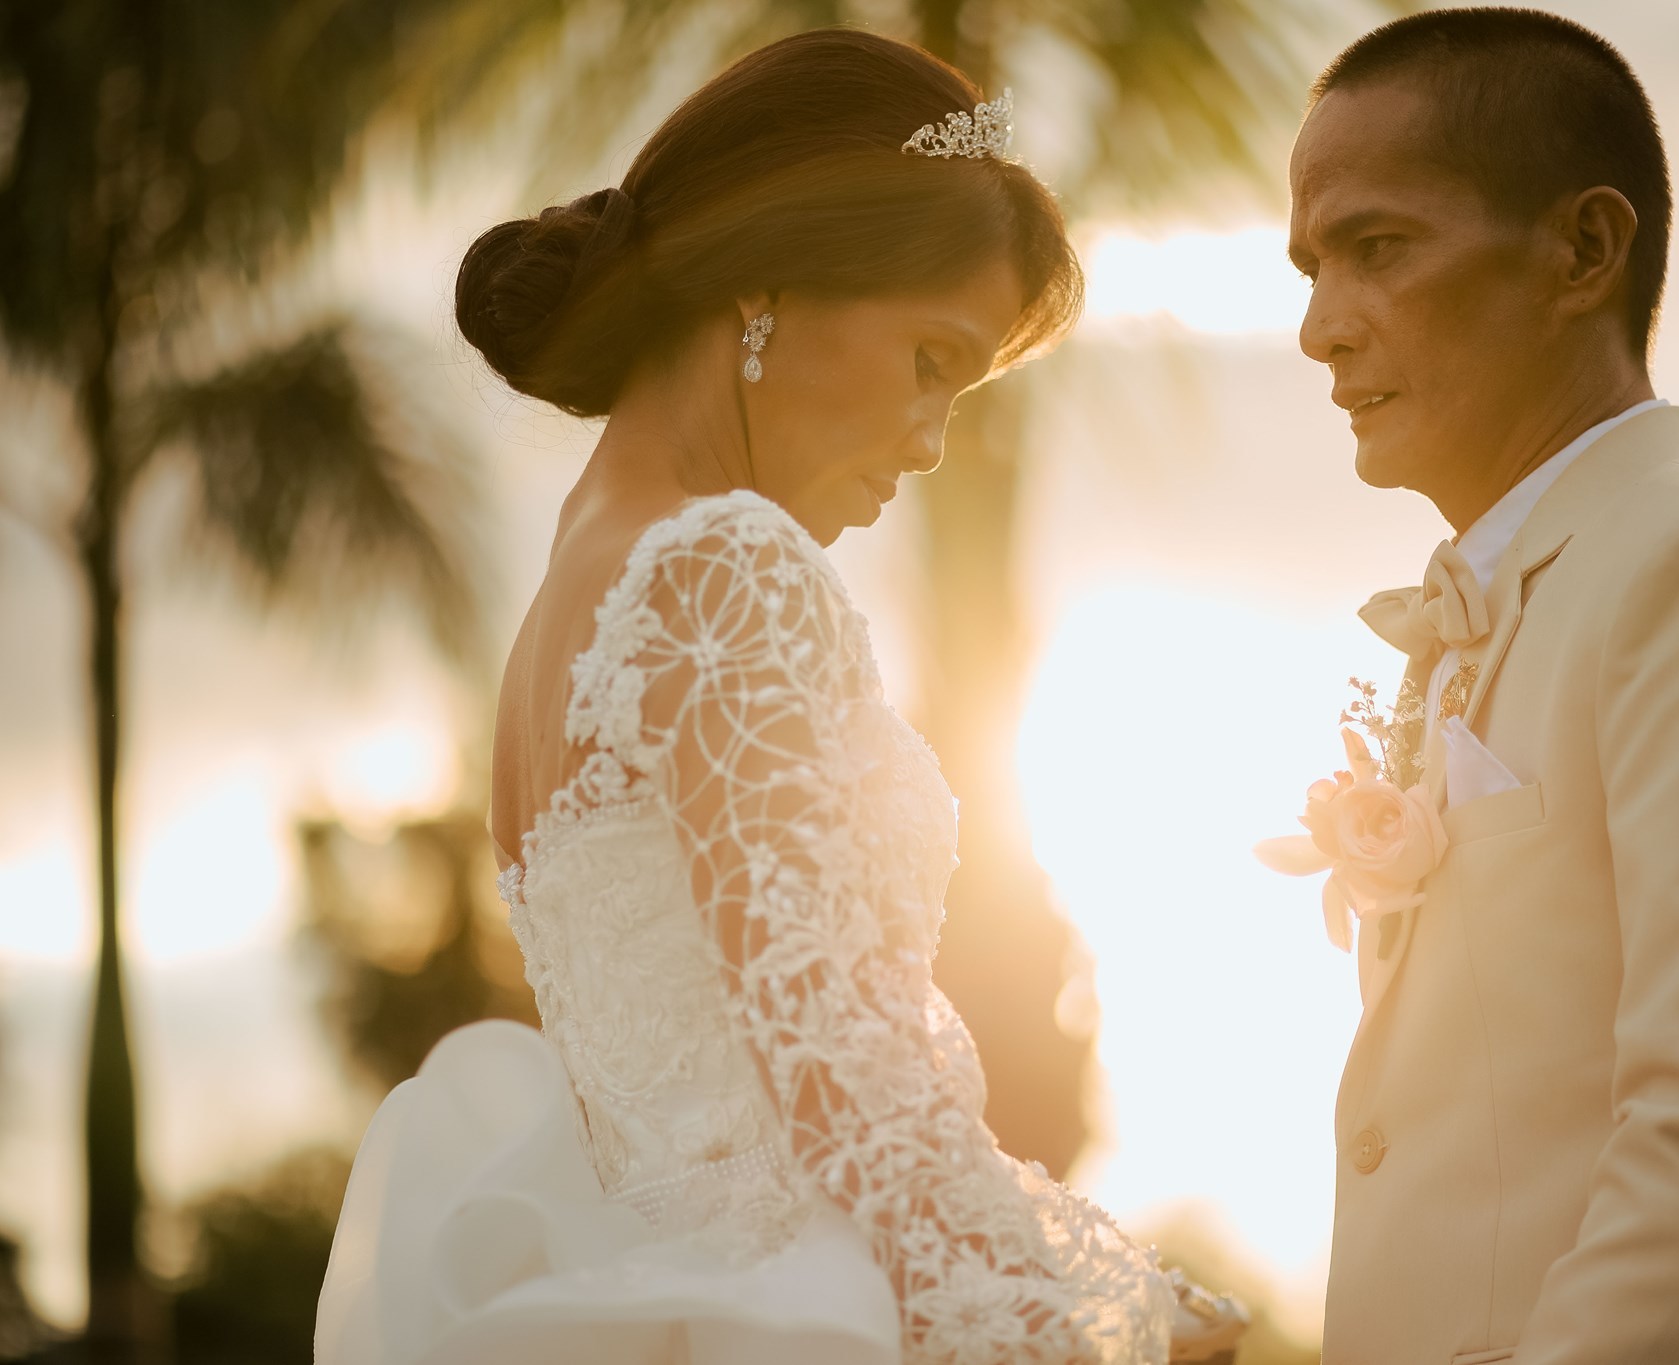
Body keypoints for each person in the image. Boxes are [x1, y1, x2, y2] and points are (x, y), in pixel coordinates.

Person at [313, 29, 1243, 1365]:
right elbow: (841, 1064)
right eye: (932, 359)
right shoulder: (726, 569)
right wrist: (1094, 1313)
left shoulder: (572, 601)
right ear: (767, 282)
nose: (931, 445)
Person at [1284, 10, 1679, 1364]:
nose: (1317, 329)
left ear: (1583, 249)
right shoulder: (1489, 616)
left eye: (1378, 248)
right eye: (1308, 266)